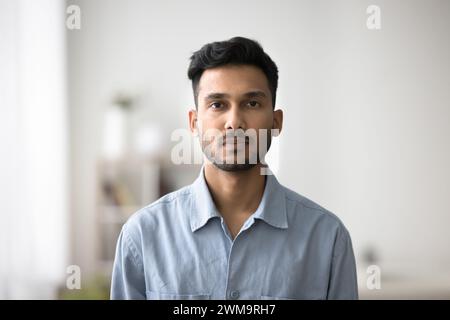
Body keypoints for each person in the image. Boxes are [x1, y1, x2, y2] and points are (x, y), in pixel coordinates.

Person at [111, 36, 358, 300]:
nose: (234, 122)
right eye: (217, 104)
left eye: (252, 103)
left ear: (276, 122)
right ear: (194, 123)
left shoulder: (328, 239)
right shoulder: (141, 236)